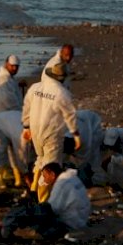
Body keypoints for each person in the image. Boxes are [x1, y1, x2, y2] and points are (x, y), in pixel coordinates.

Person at [22, 63, 80, 202]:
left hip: (36, 130)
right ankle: (43, 201)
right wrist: (76, 135)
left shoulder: (35, 88)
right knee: (50, 167)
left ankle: (33, 189)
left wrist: (26, 127)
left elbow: (26, 108)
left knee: (40, 159)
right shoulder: (62, 93)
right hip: (52, 133)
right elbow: (70, 116)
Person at [0, 162, 90, 240]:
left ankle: (8, 226)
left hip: (71, 223)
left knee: (33, 212)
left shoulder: (62, 183)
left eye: (45, 176)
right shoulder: (71, 178)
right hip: (80, 220)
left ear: (52, 174)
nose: (44, 179)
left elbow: (52, 209)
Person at [0, 110, 32, 189]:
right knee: (1, 149)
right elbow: (21, 156)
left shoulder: (30, 130)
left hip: (9, 122)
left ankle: (17, 177)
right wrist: (26, 174)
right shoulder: (22, 136)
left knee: (13, 149)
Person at [64, 110, 106, 186]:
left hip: (94, 128)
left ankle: (98, 183)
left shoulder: (85, 141)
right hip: (81, 121)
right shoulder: (63, 136)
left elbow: (84, 156)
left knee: (93, 161)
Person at [0, 54, 23, 119]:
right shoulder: (3, 78)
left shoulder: (8, 77)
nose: (14, 68)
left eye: (16, 66)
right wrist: (20, 112)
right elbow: (8, 100)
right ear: (6, 64)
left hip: (5, 115)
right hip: (2, 116)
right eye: (12, 66)